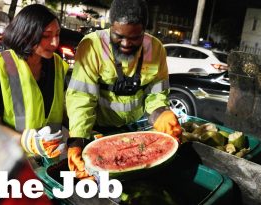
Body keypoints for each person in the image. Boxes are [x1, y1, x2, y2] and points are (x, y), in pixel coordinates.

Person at [65, 0, 182, 180]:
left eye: (135, 37)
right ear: (110, 26)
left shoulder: (156, 48)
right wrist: (77, 139)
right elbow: (82, 97)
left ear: (144, 31)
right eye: (118, 36)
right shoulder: (92, 46)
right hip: (96, 129)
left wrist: (161, 113)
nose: (126, 43)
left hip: (135, 129)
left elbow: (157, 93)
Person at [0, 4, 67, 204]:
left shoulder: (58, 64)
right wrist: (28, 142)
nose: (55, 42)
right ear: (27, 34)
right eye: (46, 35)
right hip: (13, 167)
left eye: (58, 34)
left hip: (50, 168)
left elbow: (65, 112)